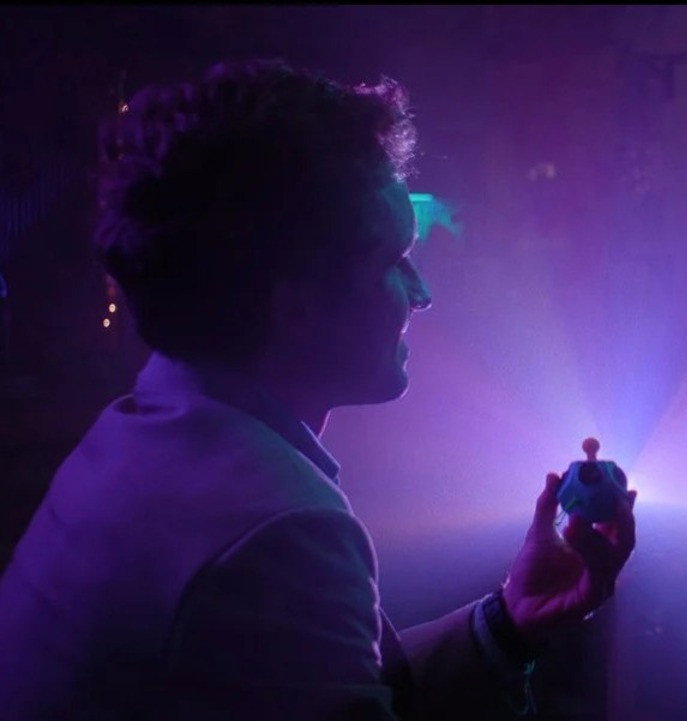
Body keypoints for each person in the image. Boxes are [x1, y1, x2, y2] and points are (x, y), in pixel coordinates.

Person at [0, 59, 637, 720]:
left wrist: (508, 623)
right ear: (296, 306)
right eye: (394, 259)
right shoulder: (277, 530)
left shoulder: (135, 439)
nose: (421, 292)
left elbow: (337, 688)